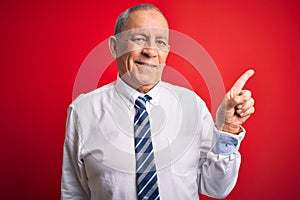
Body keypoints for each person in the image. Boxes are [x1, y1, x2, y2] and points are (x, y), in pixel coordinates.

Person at [61, 4, 255, 200]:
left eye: (160, 42)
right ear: (114, 46)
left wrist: (228, 128)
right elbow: (73, 193)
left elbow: (216, 188)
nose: (151, 51)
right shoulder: (82, 111)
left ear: (167, 52)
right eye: (139, 39)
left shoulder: (192, 106)